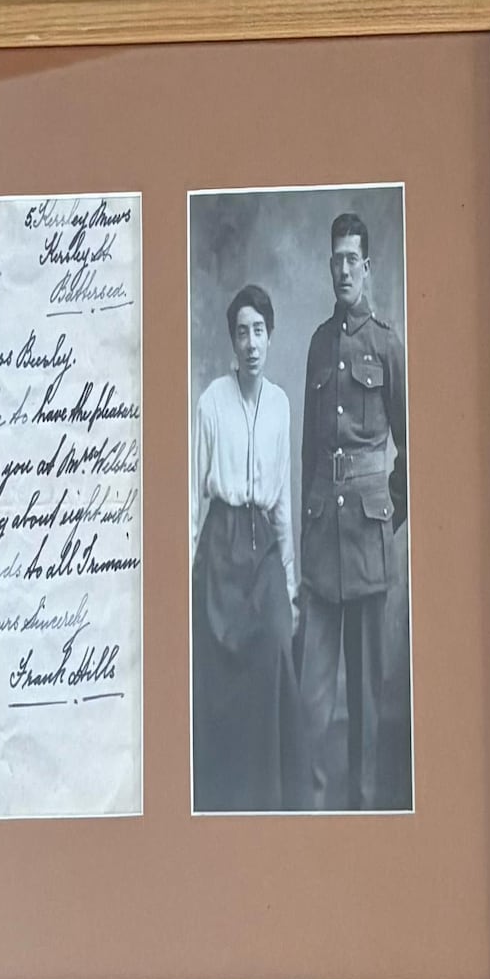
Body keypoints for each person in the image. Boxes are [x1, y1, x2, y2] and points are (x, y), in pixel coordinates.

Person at [296, 213, 407, 811]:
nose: (343, 269)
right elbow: (309, 452)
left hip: (368, 538)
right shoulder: (317, 342)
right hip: (320, 540)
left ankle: (363, 814)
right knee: (312, 696)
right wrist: (306, 519)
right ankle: (309, 815)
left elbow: (413, 446)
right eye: (335, 259)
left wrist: (388, 512)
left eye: (352, 260)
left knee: (366, 698)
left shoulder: (386, 344)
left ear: (367, 267)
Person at [191, 284, 298, 812]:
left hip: (263, 555)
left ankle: (270, 797)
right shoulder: (211, 401)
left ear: (270, 338)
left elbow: (283, 500)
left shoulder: (280, 404)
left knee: (278, 641)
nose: (251, 342)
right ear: (232, 342)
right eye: (241, 332)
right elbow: (193, 496)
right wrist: (188, 566)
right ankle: (221, 800)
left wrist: (292, 587)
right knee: (216, 668)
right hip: (221, 545)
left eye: (259, 331)